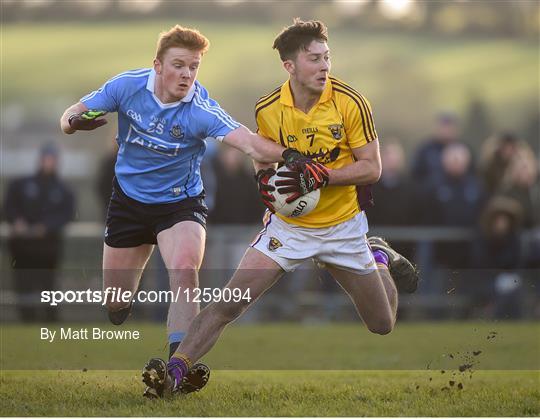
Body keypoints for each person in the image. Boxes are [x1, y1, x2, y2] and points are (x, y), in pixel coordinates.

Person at [141, 19, 418, 399]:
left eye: (327, 57)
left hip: (343, 227)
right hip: (287, 228)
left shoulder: (351, 103)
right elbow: (262, 159)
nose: (324, 66)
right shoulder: (269, 108)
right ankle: (173, 373)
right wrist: (263, 183)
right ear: (290, 66)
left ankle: (378, 256)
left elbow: (372, 168)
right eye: (314, 59)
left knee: (382, 324)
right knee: (228, 305)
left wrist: (320, 177)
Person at [59, 24, 319, 396]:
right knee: (116, 305)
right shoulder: (127, 86)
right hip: (129, 204)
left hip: (181, 204)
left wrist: (294, 156)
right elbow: (71, 114)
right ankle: (123, 308)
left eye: (194, 67)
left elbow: (249, 143)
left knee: (184, 269)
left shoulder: (199, 109)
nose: (186, 74)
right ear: (158, 65)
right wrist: (72, 124)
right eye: (179, 65)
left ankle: (174, 370)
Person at [4, 143, 75, 322]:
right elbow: (8, 207)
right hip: (22, 247)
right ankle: (27, 319)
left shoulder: (63, 190)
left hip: (48, 247)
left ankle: (50, 319)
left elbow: (66, 214)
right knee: (23, 284)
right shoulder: (21, 184)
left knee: (48, 285)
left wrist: (46, 227)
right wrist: (17, 221)